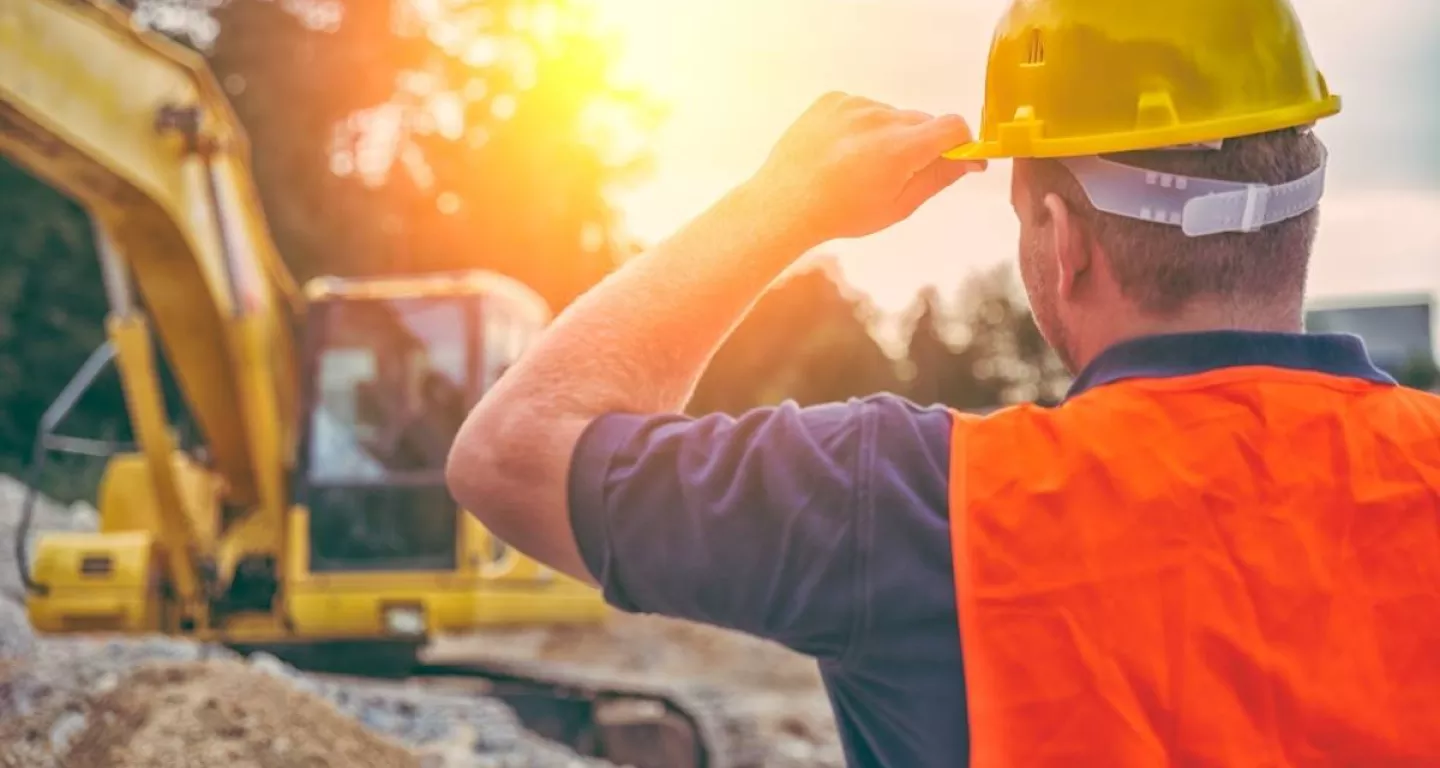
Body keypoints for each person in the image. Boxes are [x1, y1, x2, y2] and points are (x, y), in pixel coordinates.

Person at [446, 1, 1440, 765]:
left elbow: (512, 453)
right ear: (1301, 204)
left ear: (1061, 242)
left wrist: (781, 207)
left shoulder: (914, 503)